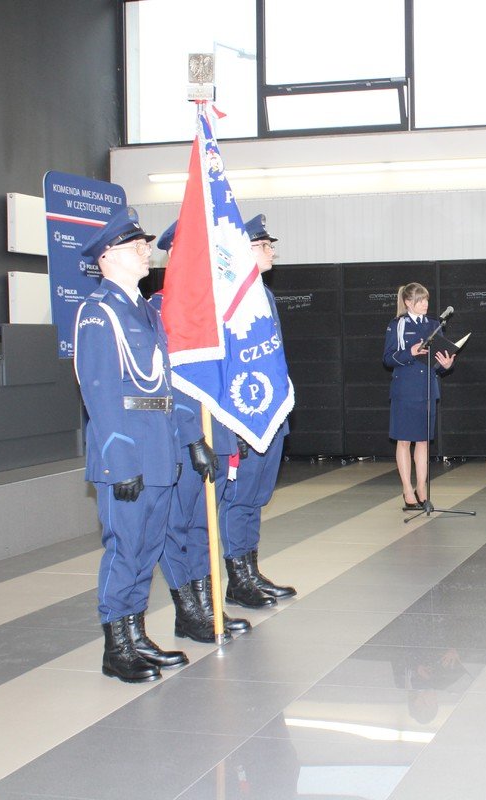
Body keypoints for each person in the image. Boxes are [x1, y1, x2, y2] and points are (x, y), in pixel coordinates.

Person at [74, 207, 204, 683]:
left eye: (145, 244)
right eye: (135, 246)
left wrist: (185, 440)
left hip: (159, 447)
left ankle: (136, 635)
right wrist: (120, 459)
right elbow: (100, 392)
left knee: (148, 549)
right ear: (107, 257)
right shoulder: (98, 312)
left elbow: (166, 385)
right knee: (125, 548)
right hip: (127, 449)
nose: (145, 251)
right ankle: (116, 647)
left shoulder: (146, 311)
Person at [151, 222, 251, 641]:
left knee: (204, 526)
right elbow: (168, 380)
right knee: (176, 526)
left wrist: (238, 426)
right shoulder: (160, 308)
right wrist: (192, 435)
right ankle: (187, 610)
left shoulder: (215, 311)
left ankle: (207, 605)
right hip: (182, 435)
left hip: (218, 433)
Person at [218, 214, 298, 608]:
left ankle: (250, 569)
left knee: (256, 497)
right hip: (245, 415)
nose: (272, 252)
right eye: (264, 246)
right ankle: (237, 578)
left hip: (270, 413)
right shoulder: (228, 297)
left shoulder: (264, 294)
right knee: (239, 497)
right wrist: (232, 426)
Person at [383, 282, 456, 510]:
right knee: (404, 441)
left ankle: (421, 488)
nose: (425, 304)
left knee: (423, 441)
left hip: (427, 389)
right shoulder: (397, 325)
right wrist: (410, 352)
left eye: (426, 300)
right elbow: (387, 358)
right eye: (420, 300)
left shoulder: (434, 325)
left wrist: (446, 364)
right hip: (405, 389)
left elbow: (438, 361)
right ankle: (407, 490)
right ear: (408, 302)